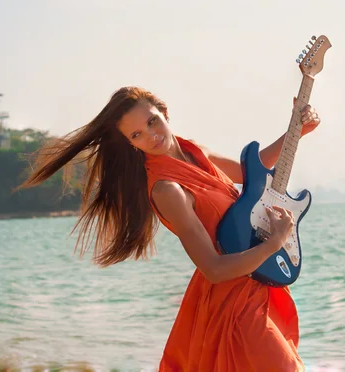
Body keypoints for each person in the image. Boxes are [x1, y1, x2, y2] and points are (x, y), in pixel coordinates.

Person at [20, 86, 321, 371]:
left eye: (153, 121)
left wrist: (297, 132)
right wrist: (272, 244)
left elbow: (251, 172)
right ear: (131, 144)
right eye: (137, 134)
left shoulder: (194, 153)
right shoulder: (167, 190)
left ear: (164, 111)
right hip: (230, 304)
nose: (152, 136)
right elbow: (213, 268)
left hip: (257, 284)